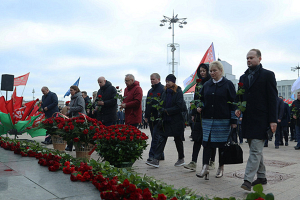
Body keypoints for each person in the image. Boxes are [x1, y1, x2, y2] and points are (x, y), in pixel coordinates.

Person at [236, 49, 277, 191]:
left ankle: (247, 180)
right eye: (247, 58)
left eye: (251, 58)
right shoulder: (243, 77)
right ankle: (262, 176)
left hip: (262, 119)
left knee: (255, 151)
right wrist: (238, 107)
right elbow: (240, 97)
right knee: (255, 149)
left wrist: (273, 120)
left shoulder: (268, 75)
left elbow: (272, 99)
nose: (249, 60)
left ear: (259, 58)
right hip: (247, 119)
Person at [194, 61, 237, 180]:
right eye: (211, 71)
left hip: (223, 120)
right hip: (208, 120)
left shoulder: (228, 84)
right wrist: (199, 106)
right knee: (206, 144)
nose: (212, 73)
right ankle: (205, 167)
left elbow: (233, 103)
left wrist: (234, 120)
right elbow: (200, 99)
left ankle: (221, 167)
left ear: (221, 71)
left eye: (214, 71)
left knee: (222, 146)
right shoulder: (207, 85)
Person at [146, 74, 185, 168]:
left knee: (178, 139)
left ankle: (181, 158)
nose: (167, 83)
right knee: (162, 138)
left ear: (173, 82)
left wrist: (167, 111)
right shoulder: (165, 92)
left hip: (176, 120)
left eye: (169, 81)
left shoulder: (178, 91)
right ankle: (156, 159)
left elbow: (179, 106)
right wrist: (159, 108)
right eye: (166, 81)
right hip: (166, 120)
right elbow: (162, 102)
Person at [184, 63, 213, 171]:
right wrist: (194, 112)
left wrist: (204, 107)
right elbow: (195, 99)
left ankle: (211, 161)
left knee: (210, 141)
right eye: (200, 71)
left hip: (209, 116)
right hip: (199, 116)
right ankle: (193, 162)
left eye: (204, 71)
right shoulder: (198, 85)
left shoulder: (211, 83)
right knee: (197, 139)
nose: (202, 73)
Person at [144, 73, 165, 162]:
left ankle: (152, 155)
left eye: (153, 79)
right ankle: (161, 154)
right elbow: (147, 103)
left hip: (159, 117)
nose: (152, 81)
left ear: (158, 79)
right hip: (151, 117)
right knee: (154, 136)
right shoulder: (150, 91)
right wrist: (146, 116)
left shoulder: (163, 89)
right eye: (151, 80)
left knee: (156, 136)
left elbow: (164, 102)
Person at [65, 85, 86, 151]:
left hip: (80, 118)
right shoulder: (73, 98)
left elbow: (81, 107)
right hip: (74, 117)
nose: (70, 91)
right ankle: (70, 146)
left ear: (75, 90)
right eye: (70, 90)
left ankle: (78, 146)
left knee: (78, 132)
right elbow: (72, 108)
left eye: (71, 90)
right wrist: (69, 112)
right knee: (72, 132)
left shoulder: (79, 98)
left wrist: (71, 108)